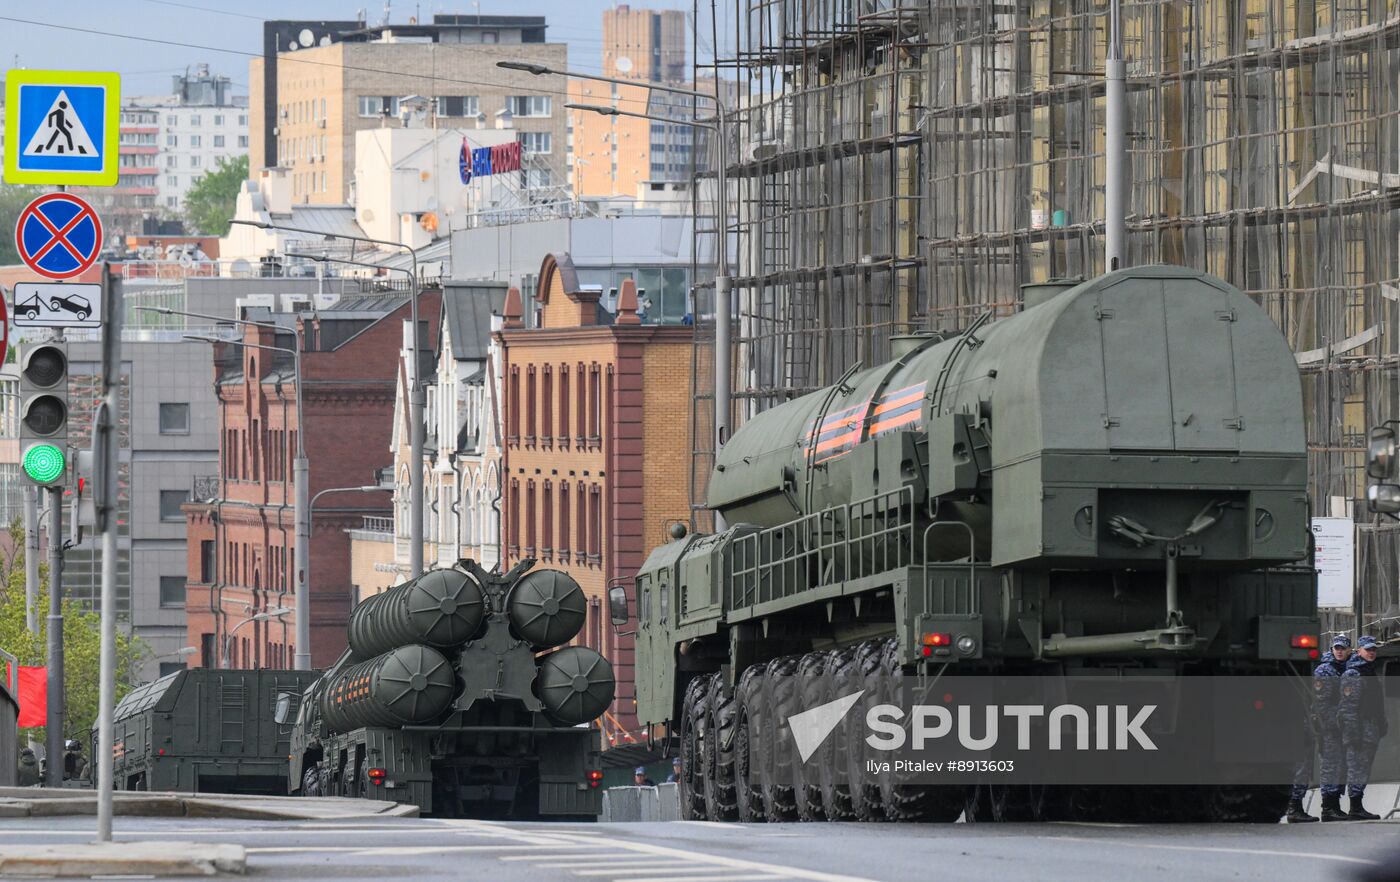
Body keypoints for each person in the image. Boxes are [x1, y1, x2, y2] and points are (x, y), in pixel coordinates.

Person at [1290, 634, 1349, 822]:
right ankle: (1296, 808)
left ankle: (1331, 807)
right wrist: (1332, 725)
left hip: (1331, 726)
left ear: (1348, 649)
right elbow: (1322, 703)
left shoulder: (1344, 669)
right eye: (1336, 648)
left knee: (1334, 766)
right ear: (1332, 649)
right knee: (1307, 767)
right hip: (1322, 726)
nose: (1339, 651)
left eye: (1342, 648)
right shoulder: (1325, 670)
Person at [1340, 635, 1387, 820]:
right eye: (1367, 650)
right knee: (1356, 768)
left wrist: (1382, 723)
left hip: (1370, 728)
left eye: (1373, 649)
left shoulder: (1368, 671)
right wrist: (1352, 734)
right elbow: (1348, 708)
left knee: (1364, 768)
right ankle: (1355, 807)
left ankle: (1358, 806)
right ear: (1358, 651)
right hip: (1359, 729)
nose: (1371, 652)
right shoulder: (1353, 674)